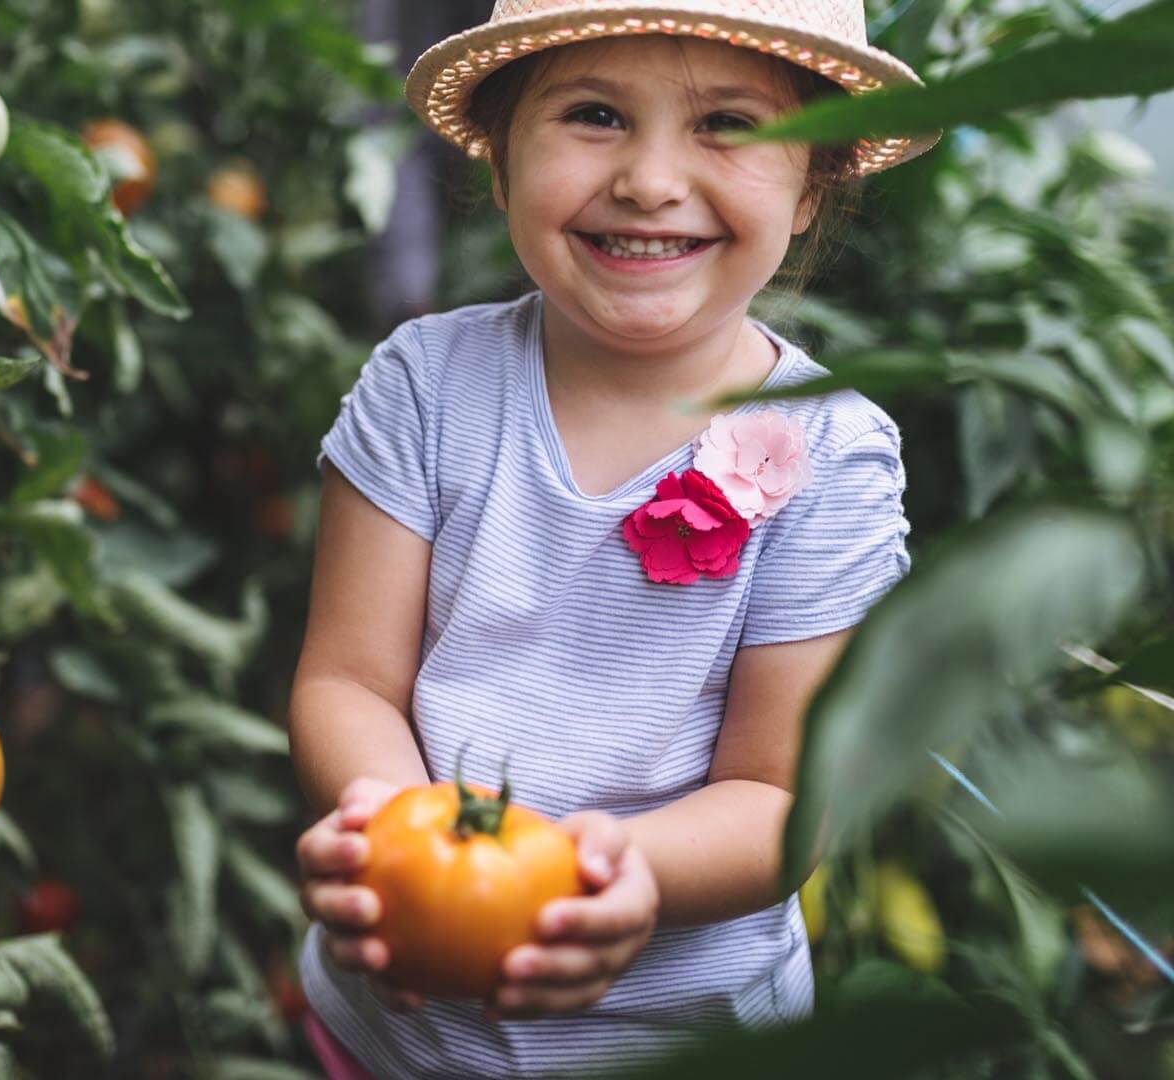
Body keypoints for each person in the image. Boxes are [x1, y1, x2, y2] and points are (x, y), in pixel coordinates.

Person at [289, 1, 939, 1076]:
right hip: (397, 1030)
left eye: (728, 124)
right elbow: (348, 681)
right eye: (594, 114)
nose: (648, 181)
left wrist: (613, 871)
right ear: (499, 162)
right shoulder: (426, 386)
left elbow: (781, 800)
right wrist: (394, 841)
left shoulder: (833, 454)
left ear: (814, 181)